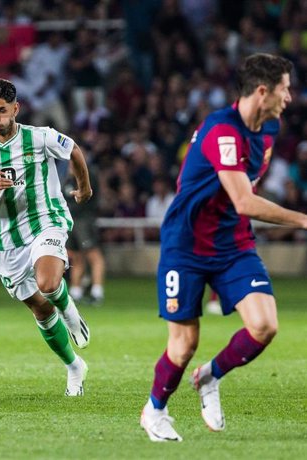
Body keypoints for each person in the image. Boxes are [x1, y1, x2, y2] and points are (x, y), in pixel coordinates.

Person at [140, 53, 307, 442]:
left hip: (232, 242)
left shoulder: (269, 128)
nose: (289, 97)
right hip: (186, 243)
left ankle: (210, 376)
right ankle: (155, 411)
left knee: (265, 325)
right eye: (284, 89)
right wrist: (302, 219)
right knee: (183, 345)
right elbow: (245, 201)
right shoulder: (223, 131)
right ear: (263, 90)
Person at [0, 79, 92, 396]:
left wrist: (84, 187)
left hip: (46, 219)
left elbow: (72, 148)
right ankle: (74, 366)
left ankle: (70, 309)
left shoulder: (39, 136)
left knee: (48, 284)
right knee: (40, 309)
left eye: (2, 111)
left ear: (15, 109)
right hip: (8, 240)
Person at [64, 160, 106, 305]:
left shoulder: (88, 176)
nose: (69, 166)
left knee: (93, 255)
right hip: (71, 221)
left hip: (84, 221)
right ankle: (75, 292)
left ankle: (97, 292)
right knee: (75, 257)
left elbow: (91, 197)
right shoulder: (68, 179)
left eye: (72, 163)